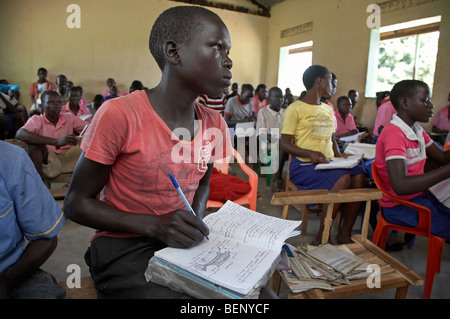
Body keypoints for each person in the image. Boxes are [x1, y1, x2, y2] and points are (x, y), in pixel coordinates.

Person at [62, 6, 244, 299]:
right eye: (216, 46)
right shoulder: (120, 114)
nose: (229, 61)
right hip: (124, 245)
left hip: (179, 241)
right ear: (174, 52)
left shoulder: (214, 123)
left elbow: (203, 182)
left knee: (253, 292)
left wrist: (193, 222)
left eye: (228, 50)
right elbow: (75, 203)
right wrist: (156, 225)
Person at [280, 65, 367, 245]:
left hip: (329, 164)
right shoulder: (295, 108)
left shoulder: (328, 108)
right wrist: (310, 153)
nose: (333, 86)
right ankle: (322, 235)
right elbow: (285, 144)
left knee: (359, 175)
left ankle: (345, 232)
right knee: (343, 178)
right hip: (305, 166)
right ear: (319, 81)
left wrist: (340, 155)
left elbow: (332, 138)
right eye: (329, 80)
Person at [374, 80, 450, 239]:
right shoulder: (394, 134)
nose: (431, 106)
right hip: (398, 206)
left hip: (418, 197)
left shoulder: (417, 131)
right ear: (405, 103)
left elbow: (443, 157)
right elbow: (401, 186)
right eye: (425, 100)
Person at [0, 140, 66, 299]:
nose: (57, 112)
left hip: (9, 270)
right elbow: (23, 134)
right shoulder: (37, 121)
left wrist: (6, 281)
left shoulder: (11, 159)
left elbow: (46, 238)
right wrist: (53, 140)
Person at [15, 90, 88, 181]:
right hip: (50, 159)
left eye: (58, 102)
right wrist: (56, 141)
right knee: (34, 146)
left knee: (90, 145)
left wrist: (79, 138)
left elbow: (90, 128)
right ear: (42, 106)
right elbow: (20, 134)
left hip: (69, 156)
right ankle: (38, 183)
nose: (56, 105)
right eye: (51, 102)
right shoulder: (37, 119)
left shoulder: (69, 117)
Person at [256, 86, 287, 192]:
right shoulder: (263, 112)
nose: (280, 99)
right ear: (269, 99)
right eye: (276, 97)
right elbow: (261, 133)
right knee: (281, 145)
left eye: (282, 97)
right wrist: (277, 138)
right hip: (269, 142)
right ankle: (278, 178)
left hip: (284, 142)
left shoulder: (285, 112)